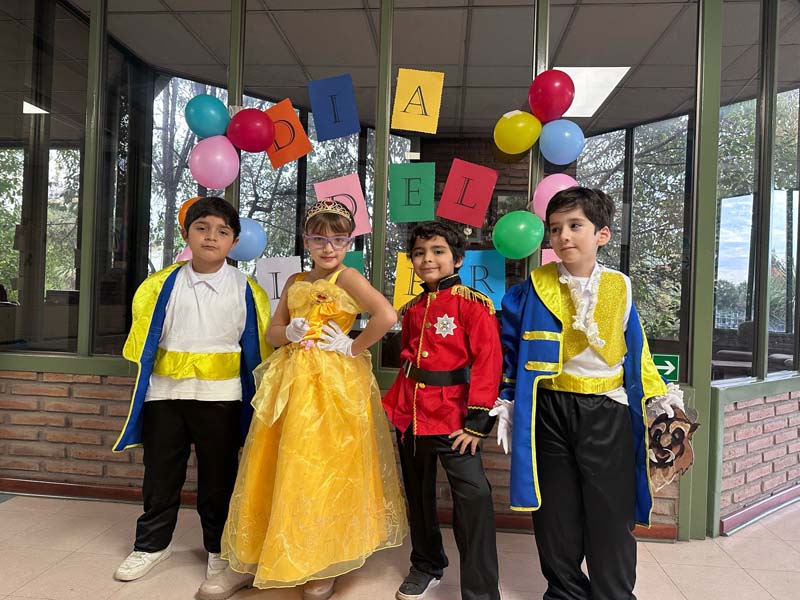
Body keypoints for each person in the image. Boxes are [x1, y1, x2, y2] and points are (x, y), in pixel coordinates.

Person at [198, 199, 408, 600]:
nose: (329, 248)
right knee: (273, 462)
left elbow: (386, 315)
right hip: (291, 381)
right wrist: (289, 333)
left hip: (331, 385)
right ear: (306, 241)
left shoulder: (348, 277)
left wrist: (352, 345)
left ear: (349, 242)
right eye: (319, 239)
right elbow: (273, 332)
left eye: (338, 240)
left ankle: (320, 560)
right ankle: (253, 556)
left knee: (320, 466)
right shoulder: (296, 280)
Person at [490, 187, 683, 600]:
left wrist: (657, 397)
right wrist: (507, 399)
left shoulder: (620, 286)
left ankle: (613, 594)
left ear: (602, 234)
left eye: (575, 225)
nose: (563, 236)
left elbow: (637, 348)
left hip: (607, 410)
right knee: (555, 513)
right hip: (549, 408)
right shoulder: (532, 287)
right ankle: (564, 593)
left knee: (611, 512)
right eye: (555, 228)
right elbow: (511, 350)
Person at [112, 197, 272, 583]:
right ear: (186, 234)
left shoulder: (247, 290)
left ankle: (218, 548)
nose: (211, 237)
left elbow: (258, 352)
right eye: (202, 228)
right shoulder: (159, 286)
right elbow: (145, 342)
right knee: (160, 473)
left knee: (219, 478)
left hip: (221, 398)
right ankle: (152, 545)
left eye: (222, 231)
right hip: (164, 395)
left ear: (234, 241)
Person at [383, 221, 502, 600]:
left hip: (456, 420)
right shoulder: (413, 308)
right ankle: (426, 564)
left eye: (437, 251)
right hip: (412, 415)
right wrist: (400, 407)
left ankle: (481, 591)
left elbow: (488, 362)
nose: (427, 259)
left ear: (457, 259)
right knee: (418, 498)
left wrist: (477, 422)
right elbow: (409, 359)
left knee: (474, 499)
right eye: (419, 253)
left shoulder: (474, 305)